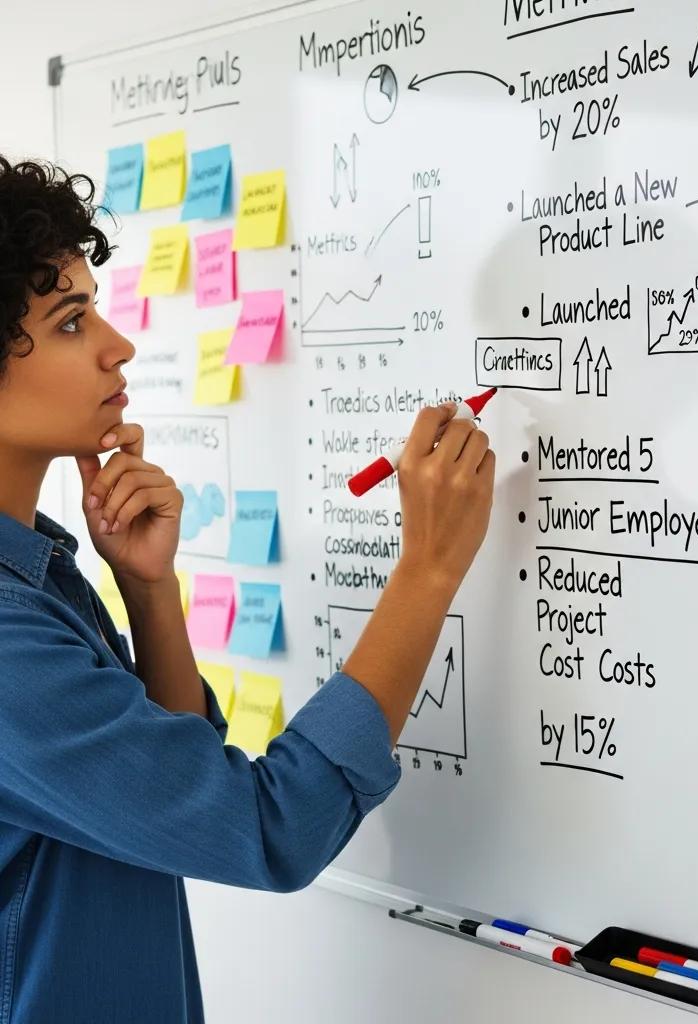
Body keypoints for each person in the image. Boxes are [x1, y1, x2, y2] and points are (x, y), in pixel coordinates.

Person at [0, 156, 495, 1022]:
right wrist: (427, 571)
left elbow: (170, 801)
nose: (117, 345)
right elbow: (269, 829)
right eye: (72, 322)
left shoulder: (39, 580)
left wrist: (149, 596)